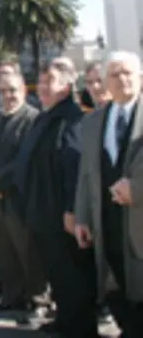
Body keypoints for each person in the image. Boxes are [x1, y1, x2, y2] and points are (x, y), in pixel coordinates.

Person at [12, 58, 98, 336]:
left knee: (72, 274)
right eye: (42, 81)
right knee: (56, 273)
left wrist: (72, 210)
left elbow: (74, 166)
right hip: (41, 212)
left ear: (67, 85)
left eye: (50, 81)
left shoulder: (72, 119)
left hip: (60, 214)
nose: (43, 87)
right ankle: (65, 319)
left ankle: (80, 327)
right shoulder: (46, 116)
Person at [75, 50, 143, 337]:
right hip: (107, 223)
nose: (122, 79)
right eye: (115, 74)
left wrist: (138, 190)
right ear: (104, 81)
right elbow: (86, 173)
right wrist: (81, 217)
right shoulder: (93, 122)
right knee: (116, 290)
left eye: (128, 72)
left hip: (139, 224)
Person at [0, 73, 43, 312]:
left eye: (13, 90)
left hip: (17, 197)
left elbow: (24, 159)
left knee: (28, 250)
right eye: (3, 92)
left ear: (24, 90)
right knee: (5, 250)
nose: (8, 96)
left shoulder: (33, 119)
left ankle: (37, 300)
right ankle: (11, 295)